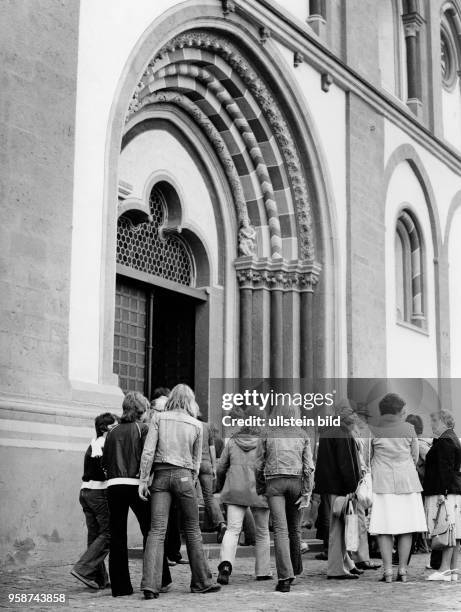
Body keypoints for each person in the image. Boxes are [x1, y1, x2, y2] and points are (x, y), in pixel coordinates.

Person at [139, 384, 221, 598]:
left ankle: (150, 585)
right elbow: (195, 462)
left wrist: (143, 480)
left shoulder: (158, 419)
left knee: (156, 531)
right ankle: (202, 581)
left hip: (161, 476)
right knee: (193, 530)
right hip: (184, 476)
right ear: (190, 401)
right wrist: (190, 481)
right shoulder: (196, 424)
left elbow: (148, 451)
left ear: (172, 399)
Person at [102, 391, 170, 597]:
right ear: (142, 410)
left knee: (117, 535)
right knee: (152, 532)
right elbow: (147, 457)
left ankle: (120, 587)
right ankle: (162, 578)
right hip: (136, 484)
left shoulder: (112, 432)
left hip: (113, 485)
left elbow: (105, 462)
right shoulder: (143, 429)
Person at [365, 393, 427, 583]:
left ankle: (387, 571)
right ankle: (402, 570)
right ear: (398, 411)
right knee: (406, 528)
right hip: (407, 483)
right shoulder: (409, 429)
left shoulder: (372, 429)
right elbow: (415, 457)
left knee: (384, 528)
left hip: (382, 484)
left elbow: (368, 458)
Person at [254, 404, 314, 593]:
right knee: (294, 528)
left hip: (274, 482)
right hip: (296, 482)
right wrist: (307, 492)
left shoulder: (267, 432)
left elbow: (258, 464)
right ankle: (295, 569)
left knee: (280, 529)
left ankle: (285, 578)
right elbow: (309, 466)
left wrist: (261, 486)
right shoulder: (302, 434)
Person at [215, 412, 272, 585]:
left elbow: (221, 467)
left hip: (235, 490)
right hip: (260, 491)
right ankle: (263, 571)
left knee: (232, 529)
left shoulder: (233, 441)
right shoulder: (266, 441)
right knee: (262, 532)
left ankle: (225, 565)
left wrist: (222, 484)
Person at [314, 402, 363, 580]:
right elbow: (346, 463)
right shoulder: (341, 432)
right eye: (350, 411)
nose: (353, 415)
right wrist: (352, 487)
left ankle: (345, 564)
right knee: (338, 528)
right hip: (340, 486)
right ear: (342, 413)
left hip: (329, 485)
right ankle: (336, 568)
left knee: (338, 526)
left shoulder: (328, 430)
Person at [71, 412, 117, 589]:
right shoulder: (105, 444)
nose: (117, 429)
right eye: (114, 426)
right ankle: (83, 569)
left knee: (95, 535)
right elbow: (105, 471)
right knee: (108, 533)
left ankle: (99, 578)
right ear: (105, 428)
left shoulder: (94, 442)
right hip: (98, 492)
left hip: (85, 491)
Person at [423, 409, 461, 581]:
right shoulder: (451, 438)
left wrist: (442, 492)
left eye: (434, 421)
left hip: (444, 491)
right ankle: (454, 570)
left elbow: (445, 469)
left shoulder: (445, 440)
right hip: (452, 491)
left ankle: (445, 569)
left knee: (446, 528)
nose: (432, 424)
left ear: (444, 423)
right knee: (454, 530)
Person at [197, 413, 227, 542]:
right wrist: (214, 467)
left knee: (193, 497)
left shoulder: (190, 424)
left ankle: (194, 530)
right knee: (209, 496)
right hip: (207, 463)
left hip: (194, 463)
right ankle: (221, 524)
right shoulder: (207, 427)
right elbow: (212, 448)